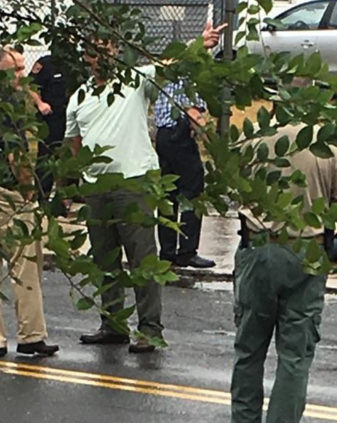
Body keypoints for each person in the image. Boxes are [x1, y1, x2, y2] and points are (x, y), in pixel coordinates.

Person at [66, 23, 223, 353]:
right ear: (87, 57)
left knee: (142, 260)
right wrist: (79, 181)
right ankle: (113, 323)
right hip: (97, 187)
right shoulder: (79, 96)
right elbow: (74, 144)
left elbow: (172, 67)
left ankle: (150, 328)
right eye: (96, 51)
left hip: (133, 182)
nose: (104, 56)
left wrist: (201, 44)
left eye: (109, 49)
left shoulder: (134, 81)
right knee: (104, 259)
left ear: (116, 52)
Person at [227, 124, 337, 423]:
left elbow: (234, 194)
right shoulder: (328, 147)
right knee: (294, 355)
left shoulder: (252, 141)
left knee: (249, 349)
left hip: (258, 248)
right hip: (307, 253)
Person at [0, 47, 58, 357]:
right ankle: (31, 335)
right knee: (25, 262)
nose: (22, 75)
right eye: (16, 70)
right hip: (10, 194)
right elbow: (16, 155)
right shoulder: (9, 106)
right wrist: (28, 189)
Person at [154, 80, 215, 268]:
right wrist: (213, 144)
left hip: (163, 136)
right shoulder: (189, 76)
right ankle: (187, 252)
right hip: (179, 134)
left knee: (168, 193)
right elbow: (193, 114)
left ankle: (167, 251)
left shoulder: (165, 74)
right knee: (193, 192)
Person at [29, 54, 68, 202]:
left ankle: (69, 194)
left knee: (71, 154)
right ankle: (42, 194)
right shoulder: (46, 62)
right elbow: (30, 85)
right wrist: (40, 104)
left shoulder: (76, 63)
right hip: (52, 116)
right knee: (47, 154)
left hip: (71, 115)